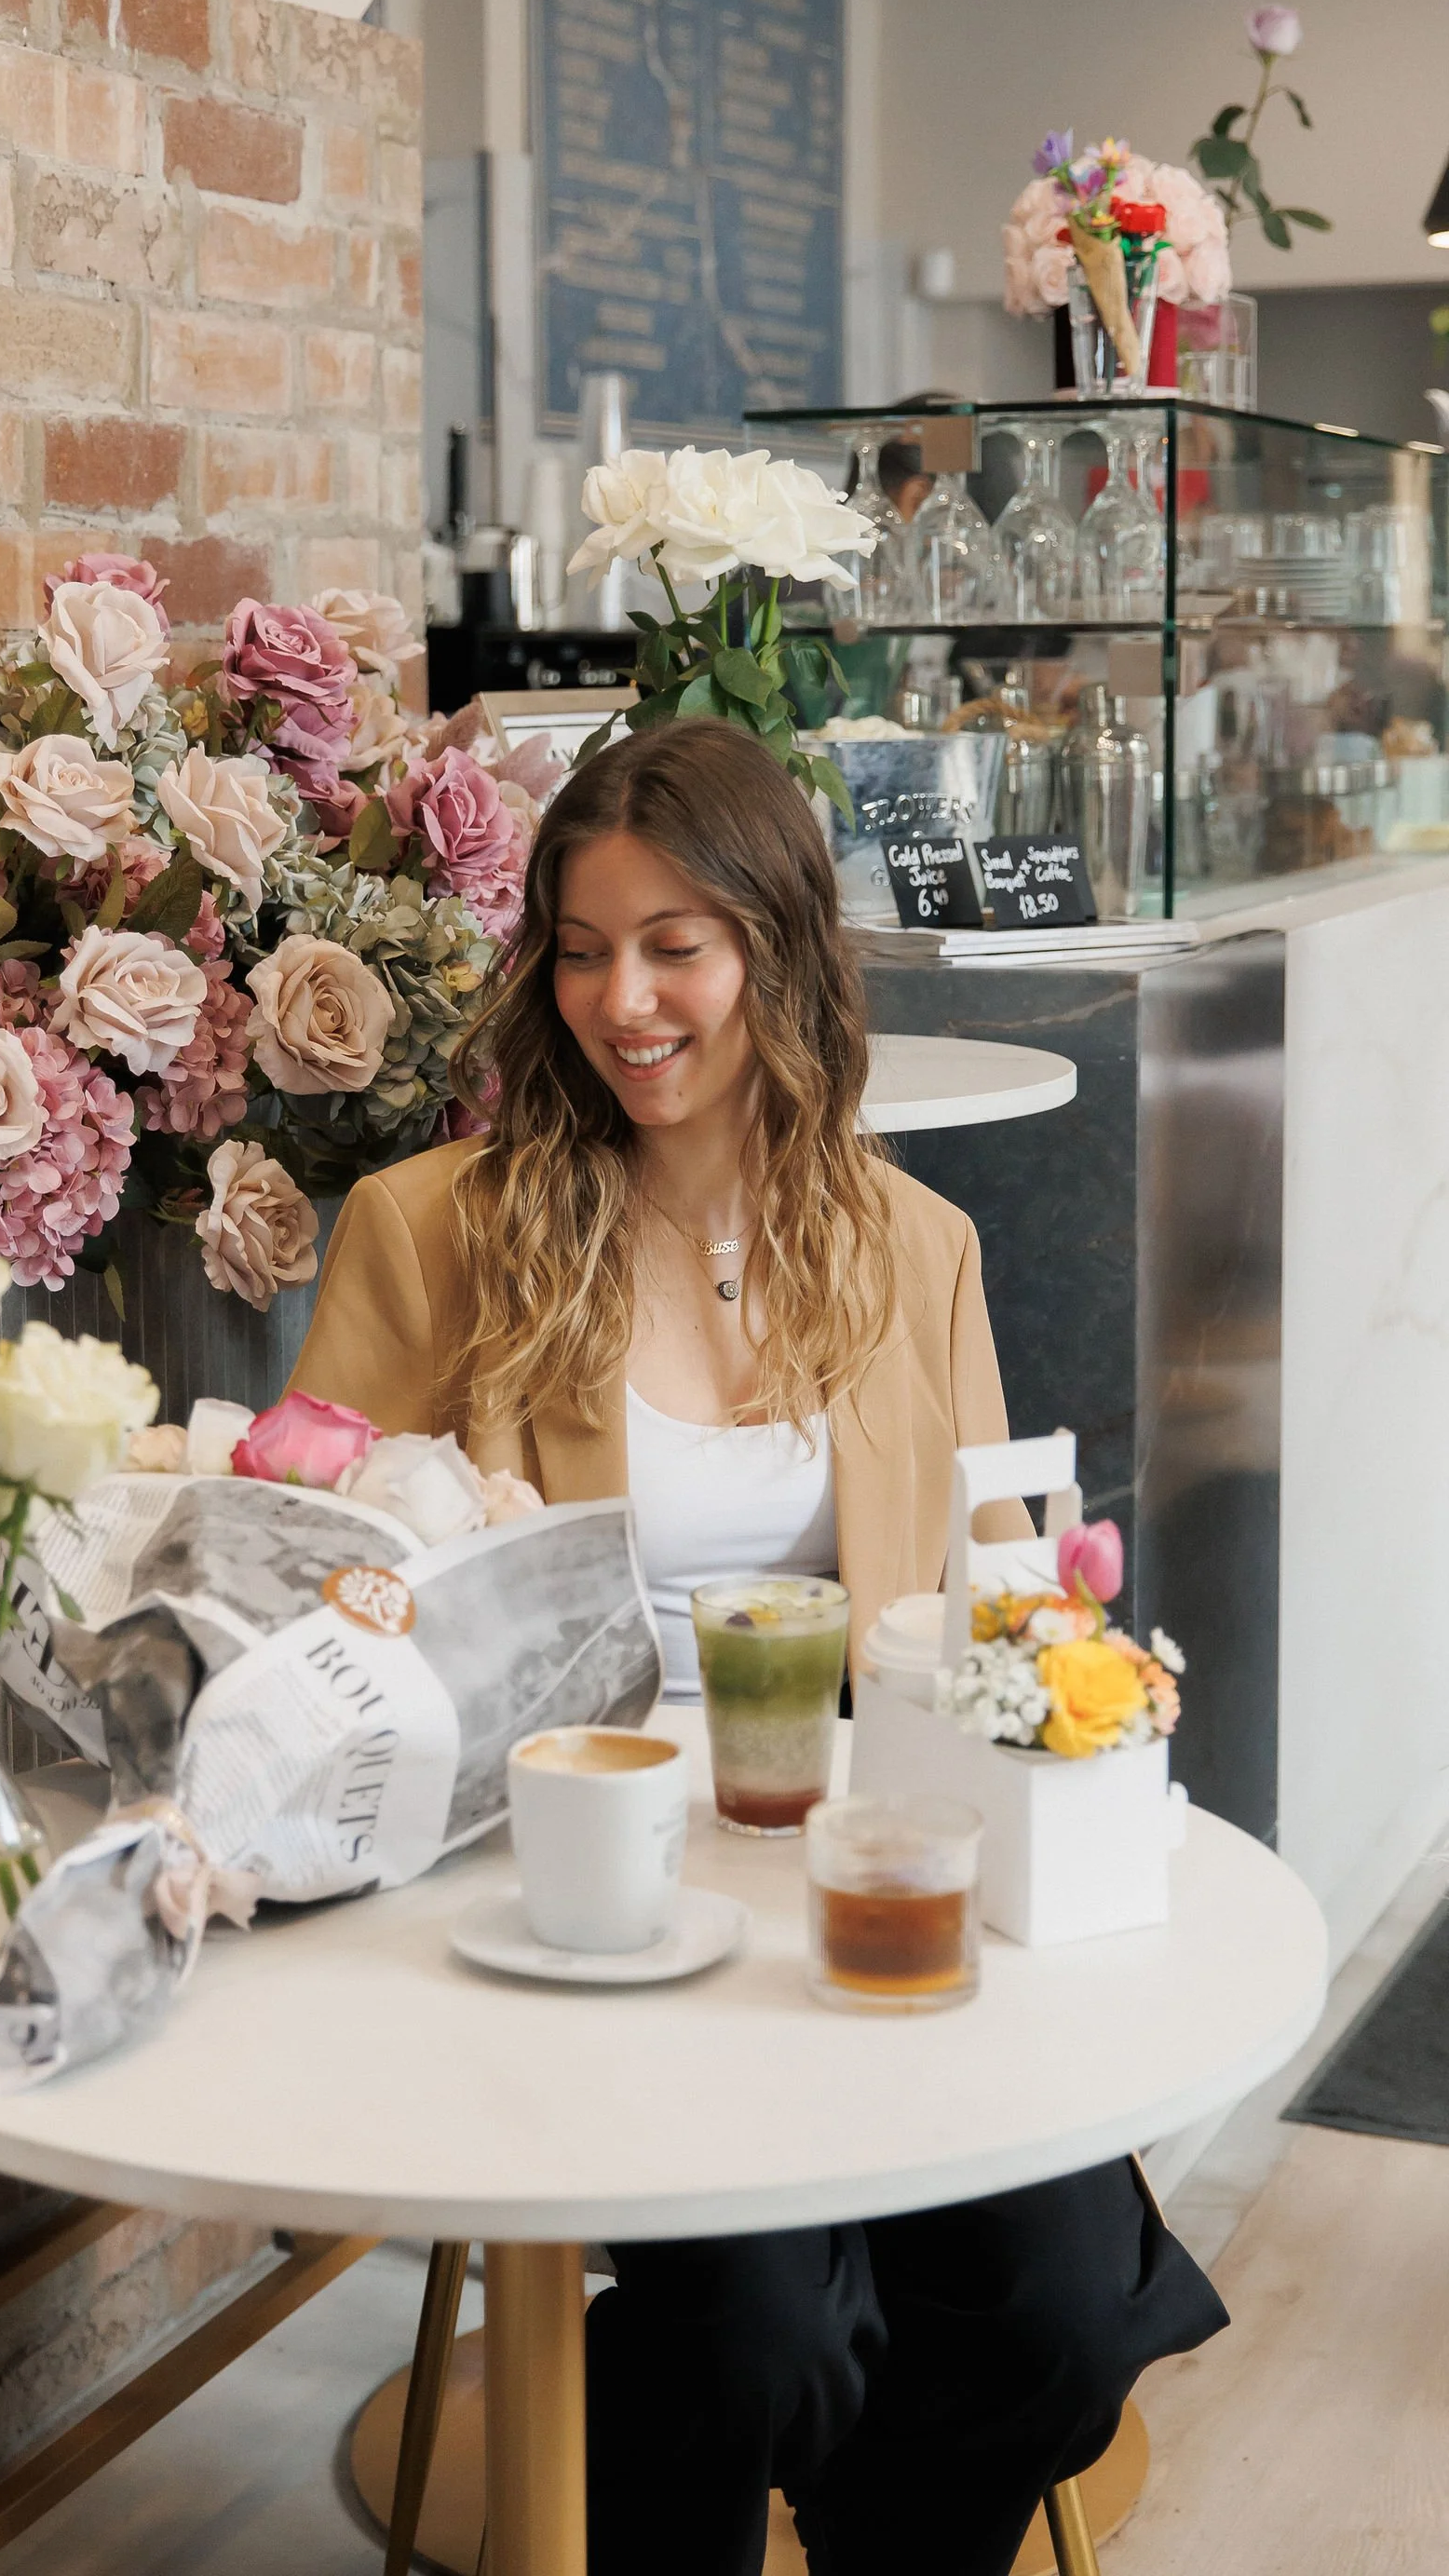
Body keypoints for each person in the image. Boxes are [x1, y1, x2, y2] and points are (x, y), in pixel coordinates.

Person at [288, 722, 1226, 2576]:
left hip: (863, 1882)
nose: (619, 998)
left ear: (779, 953)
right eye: (576, 944)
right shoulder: (440, 1235)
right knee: (761, 2336)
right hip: (584, 1894)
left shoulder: (915, 1248)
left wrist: (1070, 1705)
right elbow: (325, 1597)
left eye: (673, 943)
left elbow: (990, 1612)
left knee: (1054, 2314)